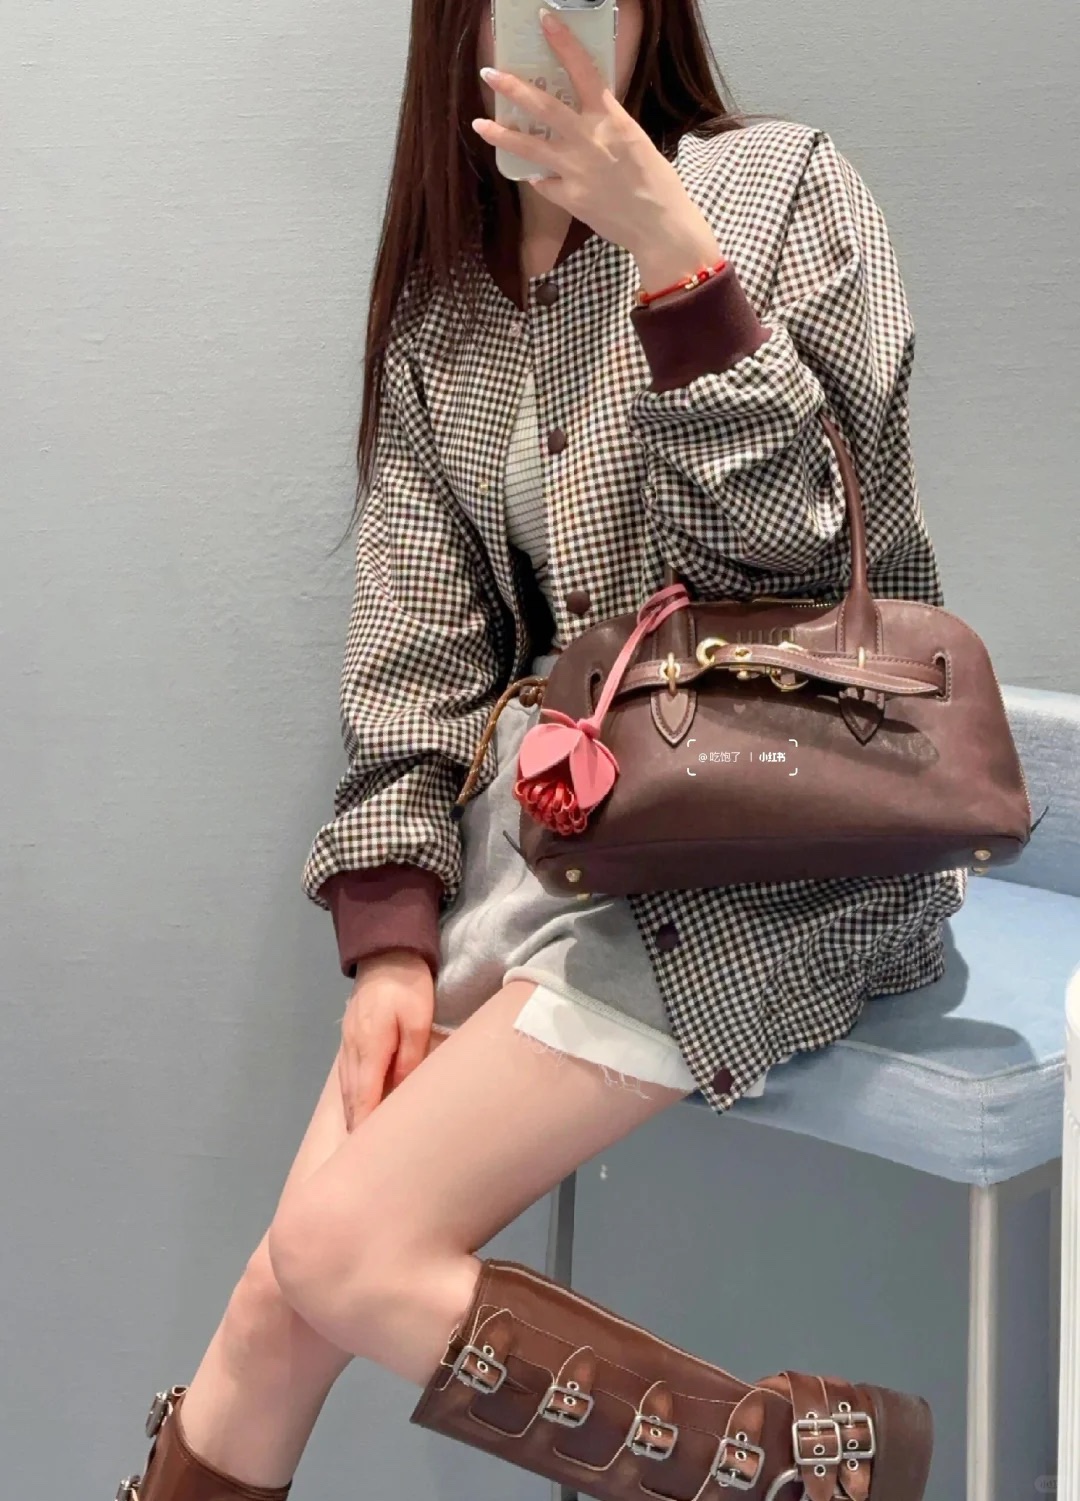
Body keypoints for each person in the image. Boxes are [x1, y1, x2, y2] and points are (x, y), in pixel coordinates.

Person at [116, 1, 965, 1496]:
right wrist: (392, 944)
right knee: (273, 1310)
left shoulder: (784, 187)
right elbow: (418, 659)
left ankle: (808, 1469)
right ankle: (799, 1468)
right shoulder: (446, 321)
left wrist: (674, 258)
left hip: (772, 860)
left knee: (337, 1250)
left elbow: (807, 569)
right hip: (556, 852)